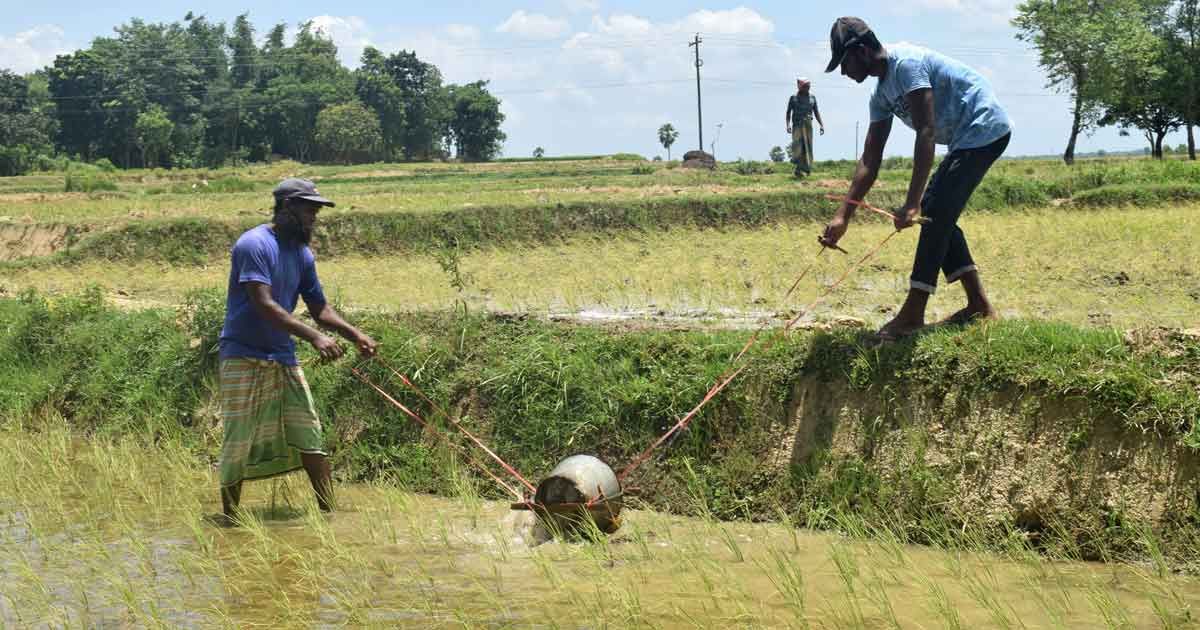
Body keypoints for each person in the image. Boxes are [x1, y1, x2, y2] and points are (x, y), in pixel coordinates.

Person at [819, 17, 1012, 341]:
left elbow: (926, 130)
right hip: (963, 139)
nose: (843, 71)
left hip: (984, 127)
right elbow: (870, 158)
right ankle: (978, 305)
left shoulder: (906, 65)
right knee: (939, 213)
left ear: (863, 51)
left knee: (933, 211)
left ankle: (913, 312)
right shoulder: (880, 95)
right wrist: (843, 216)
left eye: (844, 61)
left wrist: (912, 203)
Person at [216, 177, 378, 523]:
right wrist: (315, 338)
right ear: (287, 207)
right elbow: (263, 304)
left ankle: (328, 513)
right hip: (242, 354)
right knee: (238, 438)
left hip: (281, 355)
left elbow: (321, 310)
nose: (314, 218)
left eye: (317, 212)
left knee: (310, 432)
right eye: (309, 210)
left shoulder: (302, 255)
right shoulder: (254, 244)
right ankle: (230, 518)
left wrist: (355, 335)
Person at [786, 78, 825, 177]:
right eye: (805, 87)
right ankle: (798, 169)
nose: (807, 88)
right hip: (797, 124)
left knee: (808, 146)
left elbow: (816, 112)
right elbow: (788, 113)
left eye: (808, 86)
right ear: (800, 87)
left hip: (808, 124)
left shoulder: (812, 98)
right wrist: (788, 125)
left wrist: (821, 125)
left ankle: (807, 168)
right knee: (798, 147)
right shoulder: (793, 98)